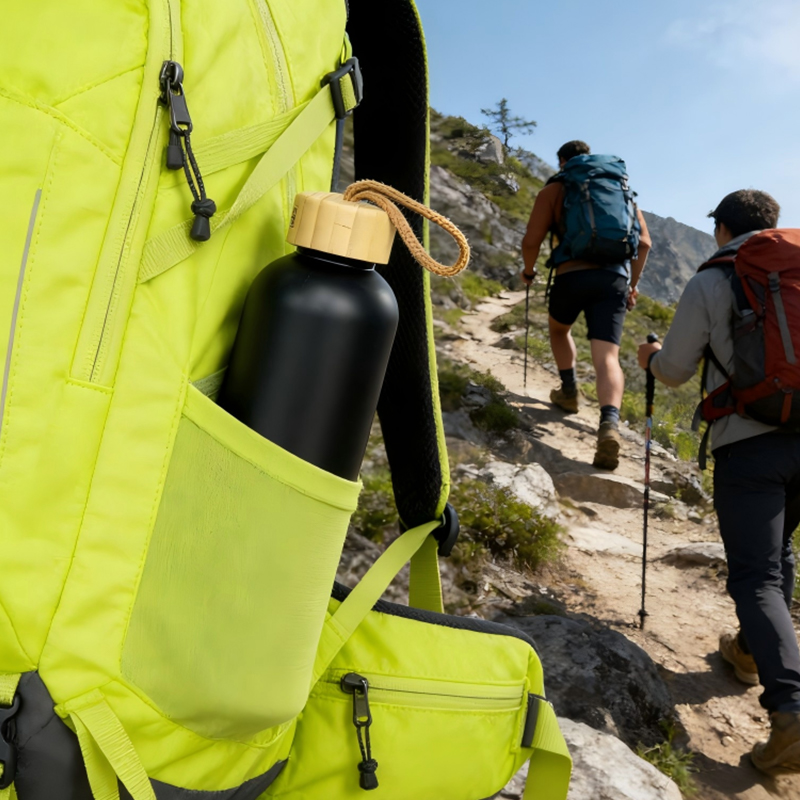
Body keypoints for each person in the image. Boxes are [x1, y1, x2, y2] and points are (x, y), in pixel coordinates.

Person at [637, 189, 800, 774]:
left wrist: (650, 357)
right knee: (777, 554)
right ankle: (752, 652)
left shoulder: (716, 278)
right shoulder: (796, 272)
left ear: (721, 228)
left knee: (756, 573)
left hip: (750, 441)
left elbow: (677, 370)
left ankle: (793, 713)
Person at [521, 140, 651, 470]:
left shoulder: (556, 188)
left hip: (571, 276)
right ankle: (609, 424)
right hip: (614, 281)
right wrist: (633, 286)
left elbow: (531, 240)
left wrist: (529, 270)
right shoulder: (621, 189)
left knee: (558, 329)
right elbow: (645, 244)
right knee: (607, 356)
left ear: (563, 161)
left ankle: (569, 390)